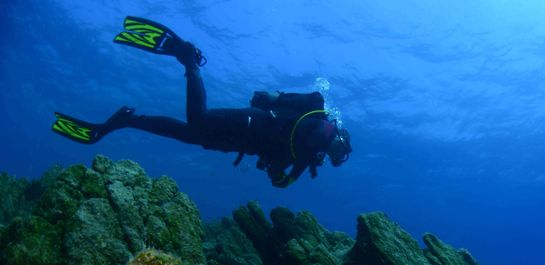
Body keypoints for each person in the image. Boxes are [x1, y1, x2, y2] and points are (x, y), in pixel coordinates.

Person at [51, 16, 352, 188]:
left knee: (191, 135)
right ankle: (189, 59)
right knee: (199, 120)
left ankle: (128, 120)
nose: (337, 155)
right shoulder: (321, 126)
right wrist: (288, 176)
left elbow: (280, 170)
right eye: (341, 149)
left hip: (243, 142)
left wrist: (277, 174)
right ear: (339, 135)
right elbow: (311, 120)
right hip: (255, 122)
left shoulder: (309, 155)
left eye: (339, 157)